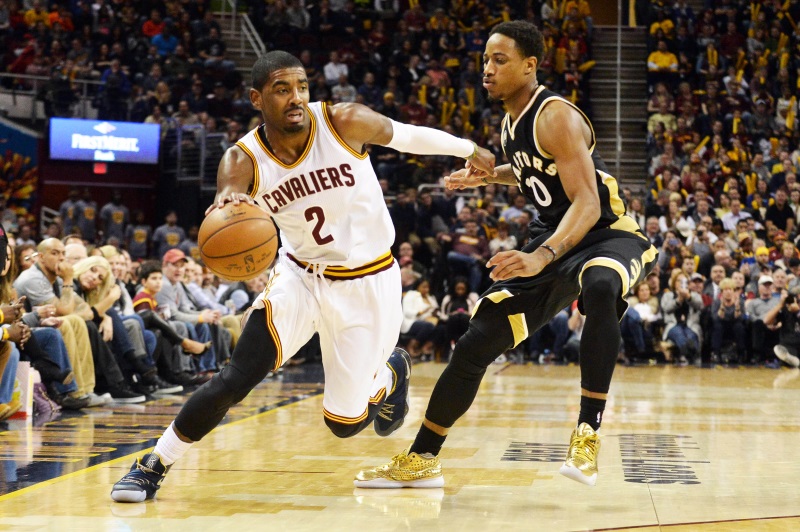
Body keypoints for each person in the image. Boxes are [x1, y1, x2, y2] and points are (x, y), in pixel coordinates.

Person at [111, 49, 496, 503]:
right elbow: (230, 191)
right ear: (257, 98)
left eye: (301, 87)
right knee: (236, 376)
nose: (295, 98)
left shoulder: (343, 122)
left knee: (345, 424)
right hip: (300, 278)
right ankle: (153, 463)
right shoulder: (244, 159)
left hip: (368, 282)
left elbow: (407, 135)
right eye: (281, 89)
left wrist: (470, 149)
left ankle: (391, 372)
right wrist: (230, 205)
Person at [355, 20, 657, 489]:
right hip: (552, 238)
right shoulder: (510, 120)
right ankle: (422, 459)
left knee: (600, 285)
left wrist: (542, 256)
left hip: (604, 233)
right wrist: (489, 177)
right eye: (484, 61)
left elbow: (587, 202)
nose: (487, 70)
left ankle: (587, 430)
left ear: (530, 66)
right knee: (476, 343)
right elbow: (531, 172)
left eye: (500, 60)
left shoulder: (555, 115)